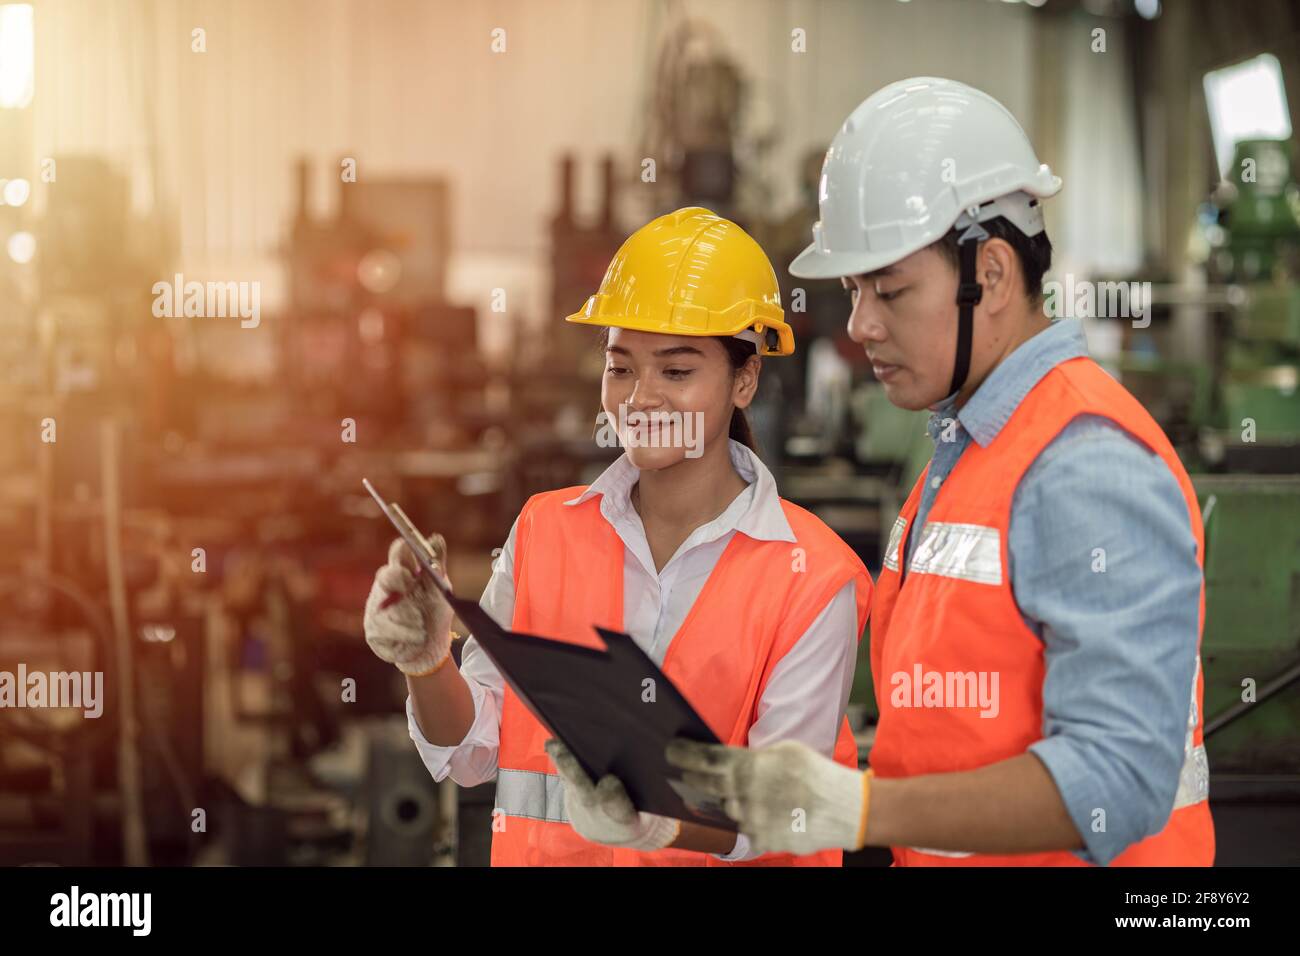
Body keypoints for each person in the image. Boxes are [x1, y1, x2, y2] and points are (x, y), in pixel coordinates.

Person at [668, 77, 1214, 867]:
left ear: (988, 275)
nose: (859, 325)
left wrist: (858, 808)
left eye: (889, 291)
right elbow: (944, 744)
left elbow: (1118, 779)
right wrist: (685, 816)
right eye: (855, 290)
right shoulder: (965, 450)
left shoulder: (1086, 463)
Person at [362, 206, 873, 866]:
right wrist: (426, 662)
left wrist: (658, 823)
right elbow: (470, 752)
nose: (640, 398)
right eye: (621, 367)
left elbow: (791, 812)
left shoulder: (810, 577)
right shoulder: (546, 532)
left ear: (744, 380)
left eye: (677, 370)